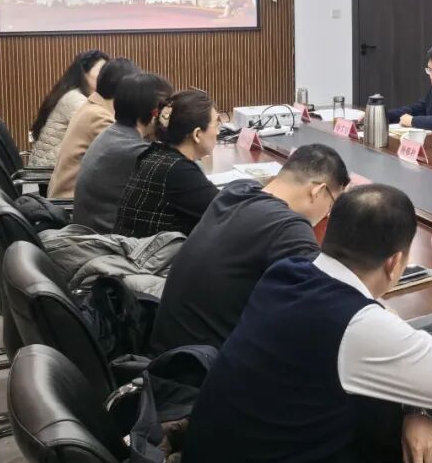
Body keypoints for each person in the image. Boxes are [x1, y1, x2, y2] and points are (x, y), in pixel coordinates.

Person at [181, 184, 432, 463]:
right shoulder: (357, 324)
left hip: (211, 462)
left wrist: (419, 406)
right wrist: (418, 366)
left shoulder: (285, 273)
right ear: (395, 262)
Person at [150, 143, 350, 353]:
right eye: (331, 205)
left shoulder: (235, 191)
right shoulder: (287, 227)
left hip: (170, 349)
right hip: (205, 364)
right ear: (318, 191)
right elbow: (329, 304)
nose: (327, 214)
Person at [72, 72, 173, 232]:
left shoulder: (113, 134)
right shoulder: (134, 150)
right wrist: (174, 132)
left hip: (93, 233)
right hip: (108, 240)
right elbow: (185, 171)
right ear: (156, 113)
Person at [112, 89, 220, 237]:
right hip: (153, 252)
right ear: (197, 134)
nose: (218, 132)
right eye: (216, 125)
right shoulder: (179, 171)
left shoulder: (153, 154)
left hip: (137, 249)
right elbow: (228, 210)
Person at [48, 57, 139, 198]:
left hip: (74, 197)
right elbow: (129, 158)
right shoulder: (99, 117)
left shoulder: (92, 106)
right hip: (71, 201)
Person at [27, 50, 109, 168]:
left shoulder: (77, 95)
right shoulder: (75, 99)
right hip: (50, 172)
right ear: (84, 74)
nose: (106, 77)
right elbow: (106, 135)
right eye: (102, 71)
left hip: (55, 168)